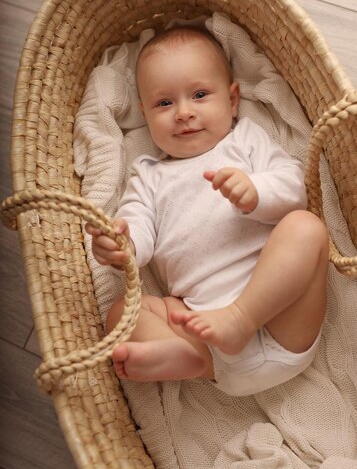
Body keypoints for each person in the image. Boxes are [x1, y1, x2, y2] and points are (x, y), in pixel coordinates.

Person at [86, 26, 329, 396]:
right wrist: (122, 245)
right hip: (208, 341)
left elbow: (295, 188)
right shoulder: (148, 176)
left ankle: (240, 317)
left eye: (199, 95)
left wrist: (257, 192)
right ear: (145, 115)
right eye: (164, 103)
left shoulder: (245, 140)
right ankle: (186, 358)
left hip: (281, 320)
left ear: (232, 100)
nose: (183, 113)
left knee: (306, 226)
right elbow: (137, 228)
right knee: (122, 311)